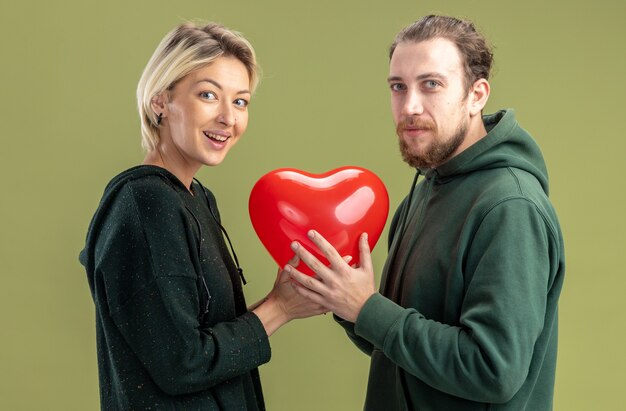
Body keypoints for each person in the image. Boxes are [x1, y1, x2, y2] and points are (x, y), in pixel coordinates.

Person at [286, 15, 565, 411]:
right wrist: (345, 301)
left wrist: (368, 308)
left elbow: (492, 369)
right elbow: (400, 348)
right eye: (398, 87)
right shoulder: (424, 192)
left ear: (477, 95)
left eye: (431, 84)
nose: (410, 106)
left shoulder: (510, 207)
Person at [79, 22, 325, 410]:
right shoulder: (147, 203)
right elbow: (182, 362)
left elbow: (198, 338)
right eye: (208, 95)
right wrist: (280, 308)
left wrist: (286, 300)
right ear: (161, 100)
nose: (229, 118)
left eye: (241, 101)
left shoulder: (195, 198)